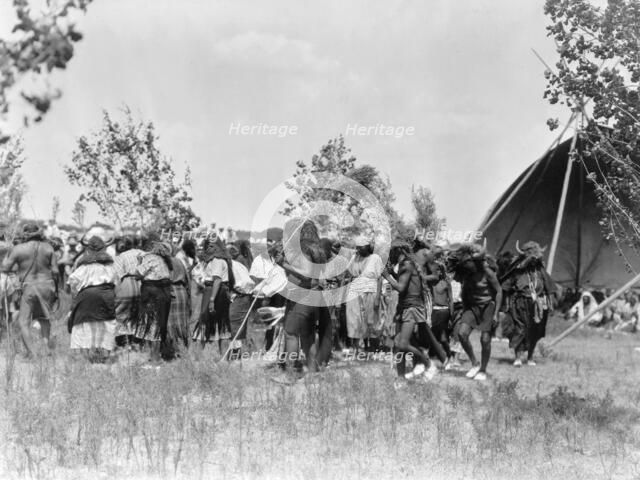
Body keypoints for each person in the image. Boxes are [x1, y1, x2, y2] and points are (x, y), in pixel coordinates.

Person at [1, 223, 58, 358]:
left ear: (24, 234)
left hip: (29, 286)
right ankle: (45, 349)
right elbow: (55, 271)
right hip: (47, 285)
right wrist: (56, 289)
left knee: (23, 322)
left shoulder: (19, 249)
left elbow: (5, 268)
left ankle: (33, 354)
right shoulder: (48, 247)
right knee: (44, 318)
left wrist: (8, 255)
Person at [447, 243, 502, 381]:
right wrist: (465, 308)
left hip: (487, 307)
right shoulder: (466, 274)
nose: (465, 265)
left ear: (475, 261)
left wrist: (496, 313)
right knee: (461, 334)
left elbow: (499, 291)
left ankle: (483, 370)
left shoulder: (487, 272)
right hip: (471, 307)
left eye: (467, 262)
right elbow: (464, 291)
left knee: (485, 340)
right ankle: (475, 363)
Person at [382, 240, 434, 381]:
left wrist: (386, 275)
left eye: (391, 253)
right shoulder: (406, 264)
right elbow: (401, 281)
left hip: (412, 308)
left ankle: (428, 363)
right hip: (404, 307)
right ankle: (400, 378)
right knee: (398, 346)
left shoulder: (407, 264)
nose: (389, 256)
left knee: (402, 344)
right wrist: (390, 272)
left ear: (398, 251)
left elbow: (400, 287)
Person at [501, 241, 555, 366]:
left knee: (534, 331)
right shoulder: (518, 271)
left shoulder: (540, 271)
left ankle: (530, 358)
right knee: (519, 329)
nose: (533, 261)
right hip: (520, 303)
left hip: (539, 305)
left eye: (535, 258)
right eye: (530, 258)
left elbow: (549, 287)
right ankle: (518, 358)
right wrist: (506, 305)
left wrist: (550, 304)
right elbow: (505, 287)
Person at [67, 236, 117, 362]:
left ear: (87, 250)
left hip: (86, 296)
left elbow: (73, 281)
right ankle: (103, 356)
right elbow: (117, 282)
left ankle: (86, 356)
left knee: (84, 322)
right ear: (105, 249)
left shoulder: (83, 266)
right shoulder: (110, 266)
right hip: (107, 295)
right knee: (106, 323)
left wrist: (75, 297)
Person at [133, 234, 173, 364]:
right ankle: (158, 355)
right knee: (160, 324)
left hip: (152, 294)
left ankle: (154, 358)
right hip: (164, 294)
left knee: (151, 325)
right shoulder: (164, 260)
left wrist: (139, 262)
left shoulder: (149, 258)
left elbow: (137, 275)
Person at [192, 236, 235, 355]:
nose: (209, 248)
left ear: (218, 247)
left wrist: (211, 300)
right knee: (221, 324)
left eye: (213, 245)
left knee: (205, 321)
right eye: (208, 245)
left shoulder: (216, 260)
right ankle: (223, 357)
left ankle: (197, 358)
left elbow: (217, 280)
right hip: (219, 291)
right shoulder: (220, 260)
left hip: (214, 292)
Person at [345, 235, 384, 353]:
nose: (358, 250)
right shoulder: (355, 258)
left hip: (370, 291)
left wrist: (377, 297)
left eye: (360, 247)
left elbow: (380, 279)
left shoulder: (375, 258)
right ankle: (356, 348)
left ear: (367, 247)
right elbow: (348, 273)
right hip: (355, 291)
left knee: (371, 320)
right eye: (357, 247)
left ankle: (372, 348)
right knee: (354, 319)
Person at [113, 235, 144, 348]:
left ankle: (125, 343)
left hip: (127, 284)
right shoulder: (143, 253)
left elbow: (117, 276)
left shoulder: (121, 256)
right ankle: (138, 343)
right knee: (140, 315)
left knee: (122, 314)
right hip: (143, 285)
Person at [227, 243, 256, 360]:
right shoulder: (239, 264)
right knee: (237, 326)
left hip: (239, 296)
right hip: (245, 296)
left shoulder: (232, 265)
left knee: (234, 327)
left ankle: (235, 355)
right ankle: (236, 353)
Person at [164, 254, 191, 360]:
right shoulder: (178, 261)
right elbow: (187, 279)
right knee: (182, 323)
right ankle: (183, 350)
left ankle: (172, 352)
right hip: (181, 292)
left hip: (168, 291)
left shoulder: (161, 262)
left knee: (169, 324)